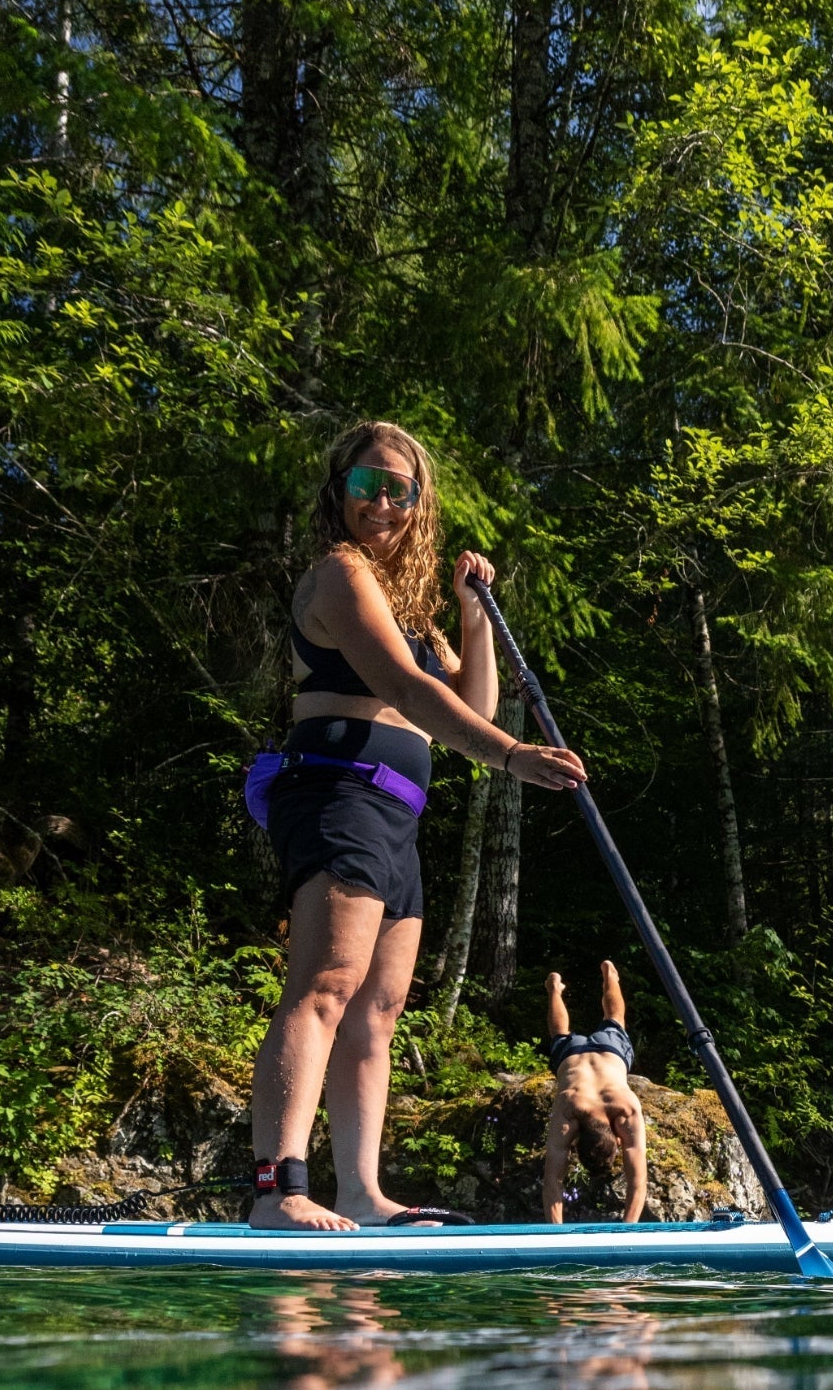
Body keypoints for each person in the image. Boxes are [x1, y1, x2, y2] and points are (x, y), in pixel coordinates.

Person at [248, 422, 585, 1231]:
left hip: (396, 812)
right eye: (367, 484)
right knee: (326, 983)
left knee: (379, 1007)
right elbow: (403, 687)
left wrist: (473, 615)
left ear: (418, 504)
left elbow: (473, 707)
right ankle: (276, 1190)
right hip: (338, 792)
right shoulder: (339, 573)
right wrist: (511, 757)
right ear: (340, 492)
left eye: (399, 490)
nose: (382, 503)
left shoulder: (413, 616)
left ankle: (361, 1192)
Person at [542, 960, 647, 1223]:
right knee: (560, 1034)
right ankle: (556, 989)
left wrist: (558, 1234)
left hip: (611, 1053)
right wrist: (627, 1230)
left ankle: (606, 977)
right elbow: (551, 1182)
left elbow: (637, 1182)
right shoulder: (569, 1107)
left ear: (617, 1138)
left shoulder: (625, 1109)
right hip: (571, 1056)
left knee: (615, 1020)